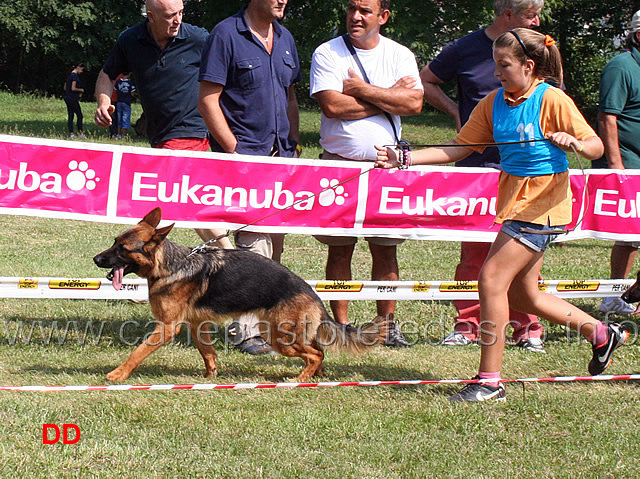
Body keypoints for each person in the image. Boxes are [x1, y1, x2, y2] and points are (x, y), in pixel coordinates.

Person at [376, 29, 629, 401]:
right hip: (515, 200)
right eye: (495, 64)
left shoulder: (551, 98)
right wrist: (405, 159)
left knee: (491, 279)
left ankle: (489, 382)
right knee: (524, 295)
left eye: (504, 65)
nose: (497, 72)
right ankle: (602, 334)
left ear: (529, 66)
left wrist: (574, 142)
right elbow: (459, 147)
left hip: (544, 202)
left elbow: (593, 145)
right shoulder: (494, 102)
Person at [420, 0, 546, 352]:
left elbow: (559, 106)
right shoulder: (464, 47)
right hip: (475, 167)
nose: (536, 21)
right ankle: (469, 324)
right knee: (475, 252)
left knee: (524, 252)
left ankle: (527, 328)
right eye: (530, 15)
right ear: (507, 15)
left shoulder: (539, 50)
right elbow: (426, 80)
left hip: (524, 173)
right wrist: (459, 115)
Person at [310, 0, 423, 347]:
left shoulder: (400, 54)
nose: (356, 16)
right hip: (339, 168)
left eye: (365, 11)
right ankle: (341, 327)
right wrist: (391, 96)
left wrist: (359, 90)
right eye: (351, 8)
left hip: (387, 170)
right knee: (340, 250)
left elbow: (415, 104)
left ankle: (387, 327)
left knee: (386, 250)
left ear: (383, 17)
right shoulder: (328, 53)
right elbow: (332, 105)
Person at [198, 0, 302, 354]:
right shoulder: (225, 35)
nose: (282, 0)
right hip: (243, 158)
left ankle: (266, 324)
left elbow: (290, 96)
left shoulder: (286, 37)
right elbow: (208, 100)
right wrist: (232, 149)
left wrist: (294, 144)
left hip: (280, 159)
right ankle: (246, 334)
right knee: (252, 244)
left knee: (274, 246)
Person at [94, 0, 232, 249]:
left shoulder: (199, 38)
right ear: (151, 17)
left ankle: (131, 254)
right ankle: (229, 258)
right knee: (188, 200)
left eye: (180, 13)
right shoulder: (130, 40)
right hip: (159, 135)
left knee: (165, 196)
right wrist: (104, 102)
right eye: (170, 15)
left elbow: (226, 72)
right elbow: (107, 74)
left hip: (190, 130)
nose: (177, 20)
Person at [597, 10, 640, 316]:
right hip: (629, 163)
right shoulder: (621, 66)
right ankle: (614, 294)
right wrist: (617, 167)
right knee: (630, 236)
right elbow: (607, 117)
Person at [64, 62, 86, 139]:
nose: (82, 71)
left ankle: (71, 133)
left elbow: (65, 87)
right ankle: (80, 132)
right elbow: (73, 88)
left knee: (71, 115)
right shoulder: (75, 76)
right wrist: (81, 90)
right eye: (81, 69)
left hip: (67, 97)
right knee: (79, 115)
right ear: (78, 67)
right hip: (72, 98)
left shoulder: (69, 75)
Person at [113, 73, 136, 139]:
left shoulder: (118, 82)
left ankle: (118, 134)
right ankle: (124, 135)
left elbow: (115, 90)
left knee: (119, 118)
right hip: (126, 102)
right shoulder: (130, 83)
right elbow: (132, 93)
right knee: (125, 118)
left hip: (119, 102)